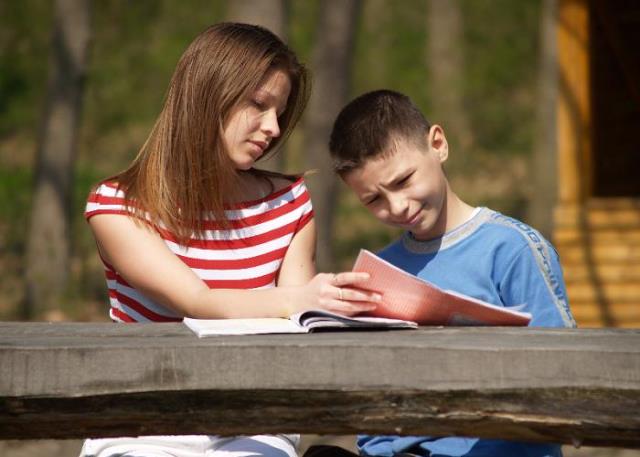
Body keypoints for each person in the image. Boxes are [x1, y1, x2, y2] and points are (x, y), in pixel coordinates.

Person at [81, 23, 381, 457]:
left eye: (279, 113)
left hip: (256, 416)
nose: (273, 128)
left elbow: (296, 327)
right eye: (258, 105)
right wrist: (302, 298)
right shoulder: (118, 206)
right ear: (206, 95)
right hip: (142, 419)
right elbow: (198, 302)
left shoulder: (289, 202)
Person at [326, 89, 576, 457]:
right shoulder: (380, 270)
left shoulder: (512, 249)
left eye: (403, 180)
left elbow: (567, 373)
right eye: (373, 200)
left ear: (438, 145)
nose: (397, 206)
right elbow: (372, 403)